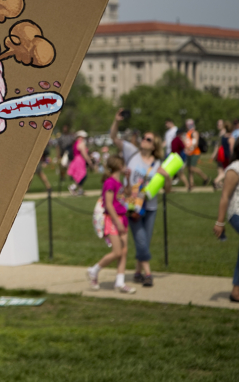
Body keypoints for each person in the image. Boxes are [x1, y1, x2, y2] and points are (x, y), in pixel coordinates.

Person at [109, 110, 170, 287]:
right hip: (132, 205)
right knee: (141, 239)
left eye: (148, 139)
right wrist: (116, 121)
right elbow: (113, 137)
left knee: (145, 240)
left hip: (150, 207)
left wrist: (166, 177)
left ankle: (137, 272)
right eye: (144, 137)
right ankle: (148, 274)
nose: (144, 139)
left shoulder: (158, 163)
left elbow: (167, 189)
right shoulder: (131, 152)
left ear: (154, 145)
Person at [87, 155, 136, 294]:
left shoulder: (118, 182)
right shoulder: (109, 182)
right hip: (113, 220)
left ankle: (120, 283)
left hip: (122, 218)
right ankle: (94, 270)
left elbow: (127, 194)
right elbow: (108, 204)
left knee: (124, 252)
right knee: (117, 252)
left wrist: (127, 179)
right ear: (119, 166)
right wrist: (117, 222)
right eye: (124, 164)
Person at [214, 142, 239, 303]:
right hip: (236, 213)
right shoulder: (234, 168)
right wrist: (220, 222)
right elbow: (224, 197)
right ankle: (236, 290)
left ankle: (237, 289)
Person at [183, 118, 209, 191]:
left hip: (195, 153)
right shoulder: (187, 133)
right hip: (189, 153)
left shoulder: (194, 132)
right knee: (189, 169)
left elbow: (195, 144)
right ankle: (191, 184)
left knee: (192, 168)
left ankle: (205, 178)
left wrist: (189, 150)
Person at [67, 131, 94, 196]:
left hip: (76, 160)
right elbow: (84, 154)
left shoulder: (75, 143)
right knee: (83, 175)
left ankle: (80, 190)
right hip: (80, 161)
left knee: (79, 175)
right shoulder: (81, 143)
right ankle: (73, 187)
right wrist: (89, 161)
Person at [212, 119, 231, 190]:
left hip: (221, 153)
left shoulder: (223, 133)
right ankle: (218, 182)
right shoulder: (222, 133)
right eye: (218, 124)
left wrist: (214, 153)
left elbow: (218, 145)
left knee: (222, 170)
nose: (218, 125)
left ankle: (218, 182)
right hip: (221, 154)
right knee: (221, 170)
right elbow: (218, 145)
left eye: (220, 124)